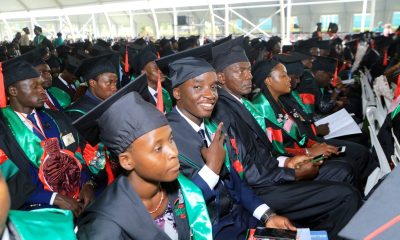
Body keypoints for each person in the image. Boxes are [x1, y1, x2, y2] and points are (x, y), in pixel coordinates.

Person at [209, 38, 361, 239]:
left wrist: (289, 161)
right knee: (345, 196)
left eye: (249, 70)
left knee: (343, 174)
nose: (249, 76)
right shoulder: (224, 112)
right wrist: (292, 173)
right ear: (220, 77)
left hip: (270, 175)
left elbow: (265, 152)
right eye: (240, 71)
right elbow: (247, 171)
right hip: (258, 190)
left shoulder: (241, 103)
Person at [161, 45, 296, 239]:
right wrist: (211, 170)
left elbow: (234, 181)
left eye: (213, 87)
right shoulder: (167, 139)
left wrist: (267, 215)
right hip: (208, 231)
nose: (210, 95)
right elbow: (176, 208)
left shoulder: (212, 127)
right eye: (198, 87)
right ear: (177, 93)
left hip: (240, 218)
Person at [77, 92, 213, 240]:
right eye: (158, 148)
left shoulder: (180, 189)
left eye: (171, 139)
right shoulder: (105, 227)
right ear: (127, 161)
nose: (174, 152)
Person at [0, 56, 94, 217]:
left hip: (78, 201)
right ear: (13, 91)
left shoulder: (56, 118)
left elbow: (78, 151)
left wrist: (87, 183)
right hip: (36, 212)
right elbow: (8, 182)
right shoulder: (3, 131)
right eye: (34, 86)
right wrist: (52, 198)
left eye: (41, 85)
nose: (42, 91)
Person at [133, 44, 173, 112]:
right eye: (155, 69)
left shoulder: (166, 91)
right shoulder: (140, 99)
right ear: (143, 73)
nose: (160, 71)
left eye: (160, 68)